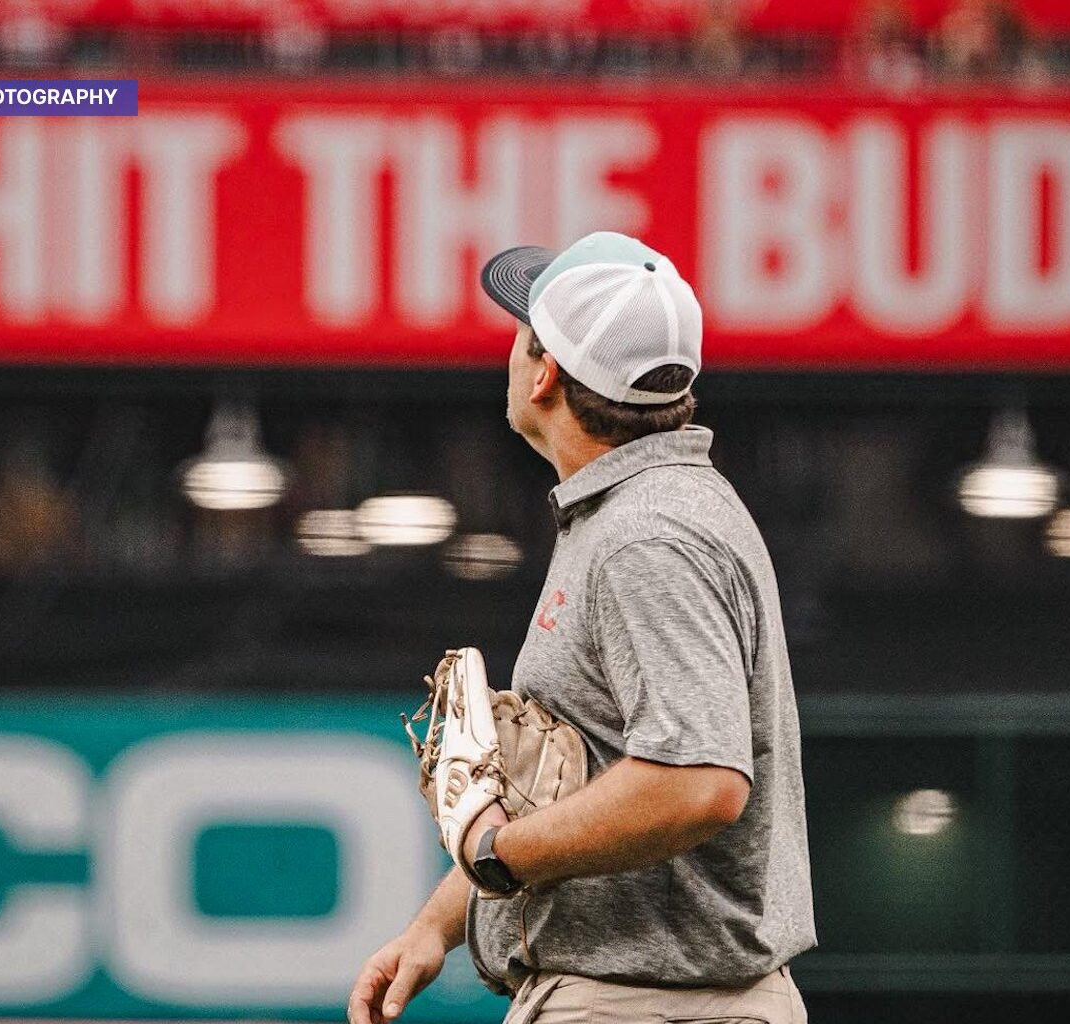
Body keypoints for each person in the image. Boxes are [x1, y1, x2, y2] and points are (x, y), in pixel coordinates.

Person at [346, 232, 816, 1024]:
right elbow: (585, 785)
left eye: (522, 331)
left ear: (545, 375)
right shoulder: (644, 511)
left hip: (648, 1006)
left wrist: (498, 857)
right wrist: (437, 925)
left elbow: (698, 784)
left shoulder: (648, 537)